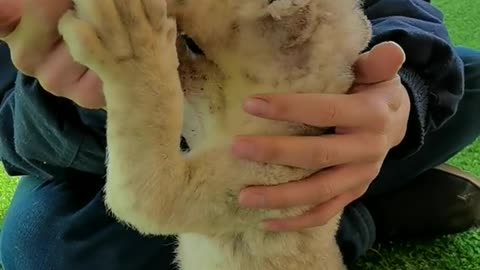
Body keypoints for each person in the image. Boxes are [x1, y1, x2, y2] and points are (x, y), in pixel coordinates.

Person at [0, 0, 478, 269]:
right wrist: (116, 91)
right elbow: (11, 137)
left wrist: (399, 101)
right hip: (124, 161)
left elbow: (402, 9)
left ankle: (360, 175)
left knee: (469, 74)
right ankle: (372, 215)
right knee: (40, 248)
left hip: (310, 101)